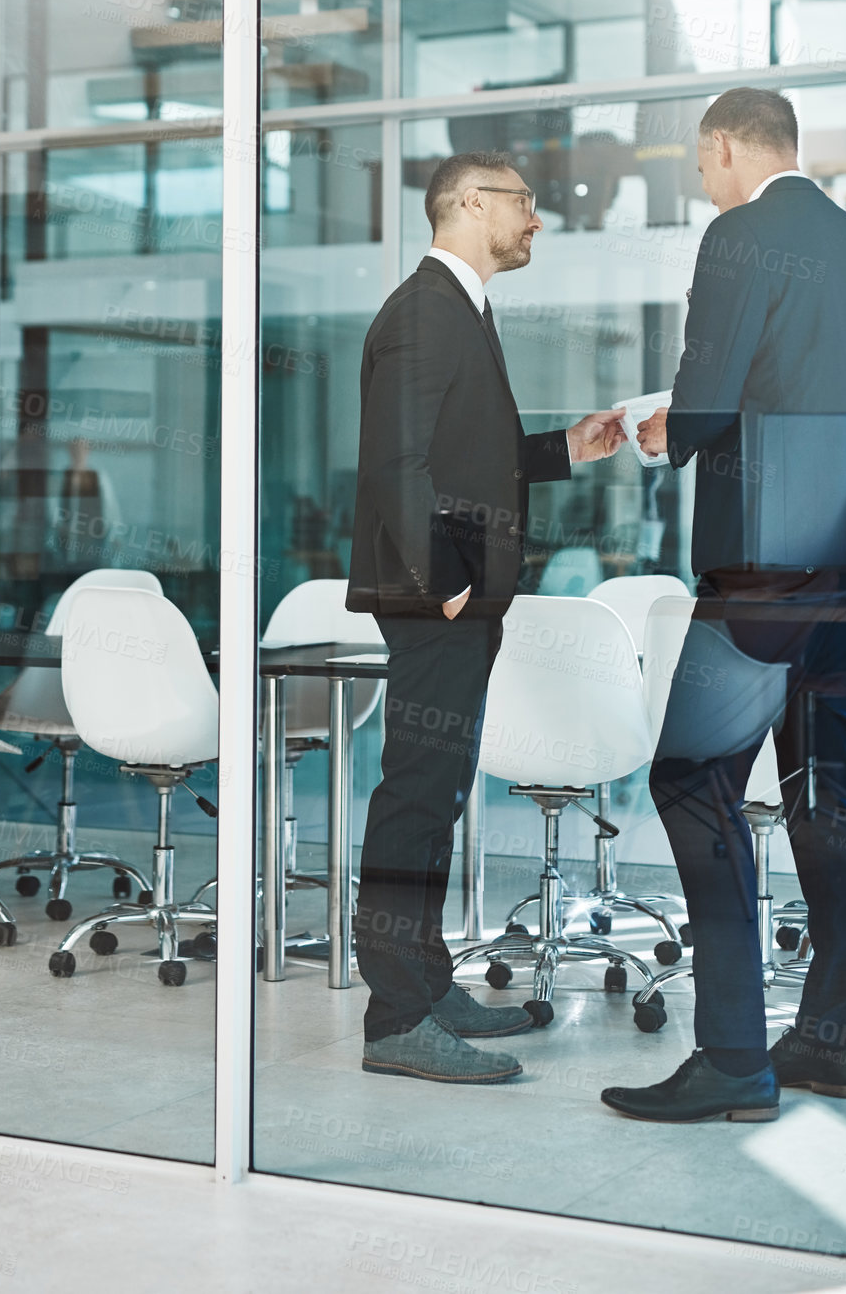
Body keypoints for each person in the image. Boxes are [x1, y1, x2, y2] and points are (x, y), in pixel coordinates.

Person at [601, 86, 846, 1125]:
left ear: (727, 147)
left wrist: (662, 430)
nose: (705, 184)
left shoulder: (740, 237)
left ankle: (736, 1054)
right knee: (824, 790)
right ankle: (832, 1040)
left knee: (690, 781)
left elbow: (699, 408)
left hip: (757, 573)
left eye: (703, 166)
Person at [347, 150, 624, 1085]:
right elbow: (394, 463)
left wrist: (564, 450)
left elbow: (467, 453)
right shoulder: (425, 310)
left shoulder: (458, 307)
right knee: (415, 798)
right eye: (523, 203)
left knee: (437, 795)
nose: (535, 220)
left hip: (459, 595)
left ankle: (424, 986)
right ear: (468, 202)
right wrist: (443, 581)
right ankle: (393, 1017)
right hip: (439, 599)